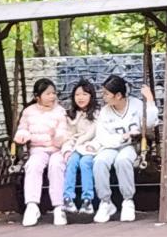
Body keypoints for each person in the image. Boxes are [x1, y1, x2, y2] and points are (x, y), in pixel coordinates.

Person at [90, 74, 159, 223]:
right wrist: (121, 137)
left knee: (122, 160)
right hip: (112, 145)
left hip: (131, 145)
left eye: (106, 94)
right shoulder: (105, 111)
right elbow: (102, 136)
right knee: (99, 161)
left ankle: (128, 200)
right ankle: (105, 202)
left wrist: (150, 99)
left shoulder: (136, 105)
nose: (103, 97)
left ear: (118, 95)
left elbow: (150, 123)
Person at [14, 78, 71, 227]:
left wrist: (58, 136)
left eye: (54, 93)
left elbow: (63, 132)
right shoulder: (28, 112)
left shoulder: (60, 111)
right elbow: (23, 128)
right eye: (48, 94)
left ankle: (59, 207)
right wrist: (22, 135)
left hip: (57, 149)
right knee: (33, 165)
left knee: (56, 166)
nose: (52, 97)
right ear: (37, 96)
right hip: (38, 149)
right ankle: (32, 205)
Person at [61, 79, 99, 215]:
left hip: (92, 148)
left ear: (91, 96)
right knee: (71, 161)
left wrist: (92, 146)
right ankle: (68, 198)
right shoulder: (72, 115)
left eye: (84, 94)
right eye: (77, 95)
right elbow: (69, 136)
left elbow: (99, 134)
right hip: (76, 148)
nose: (80, 98)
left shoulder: (97, 114)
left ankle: (87, 200)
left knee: (85, 163)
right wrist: (67, 149)